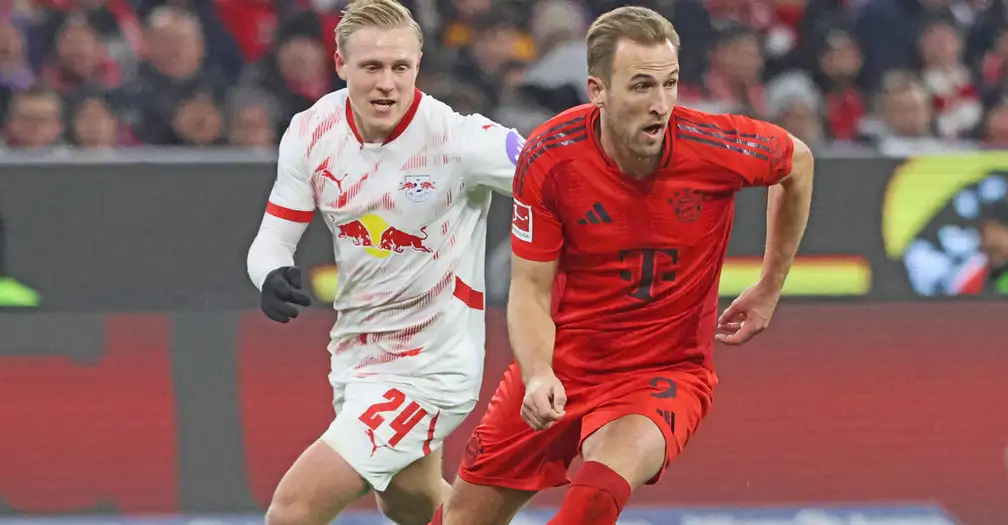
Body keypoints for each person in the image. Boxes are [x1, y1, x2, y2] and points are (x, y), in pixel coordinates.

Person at [435, 6, 815, 525]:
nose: (661, 104)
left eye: (670, 83)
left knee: (592, 499)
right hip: (563, 362)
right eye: (641, 86)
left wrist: (770, 285)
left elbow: (797, 163)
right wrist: (538, 372)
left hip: (664, 372)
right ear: (598, 90)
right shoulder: (550, 157)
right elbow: (530, 289)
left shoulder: (713, 144)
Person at [244, 1, 524, 524]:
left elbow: (562, 181)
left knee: (293, 510)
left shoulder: (461, 140)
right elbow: (273, 239)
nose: (387, 84)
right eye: (371, 67)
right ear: (340, 64)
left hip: (433, 368)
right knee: (410, 502)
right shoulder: (311, 131)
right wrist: (270, 274)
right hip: (357, 358)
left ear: (419, 66)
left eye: (401, 67)